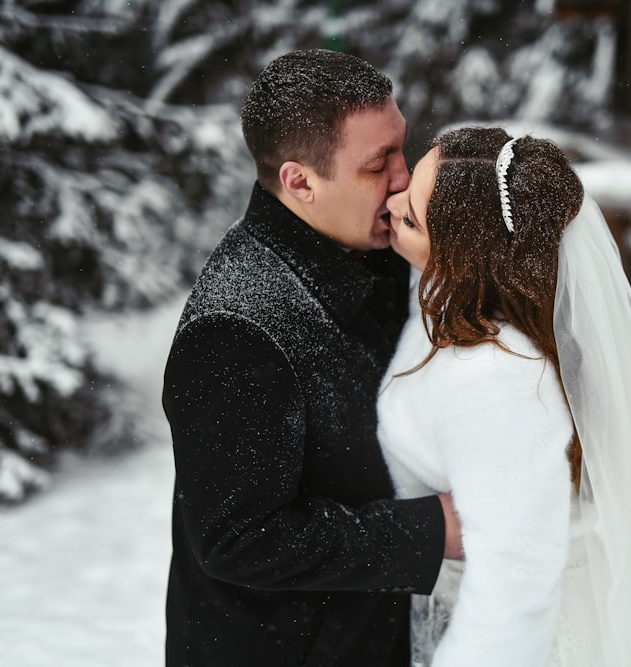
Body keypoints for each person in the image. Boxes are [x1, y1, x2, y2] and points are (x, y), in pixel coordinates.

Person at [161, 49, 462, 667]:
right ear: (300, 182)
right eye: (378, 164)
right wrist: (428, 532)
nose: (404, 178)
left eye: (402, 149)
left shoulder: (381, 245)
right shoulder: (234, 330)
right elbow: (238, 539)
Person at [378, 126, 631, 666]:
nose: (391, 203)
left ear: (464, 258)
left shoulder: (496, 377)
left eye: (412, 217)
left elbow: (513, 576)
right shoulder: (459, 310)